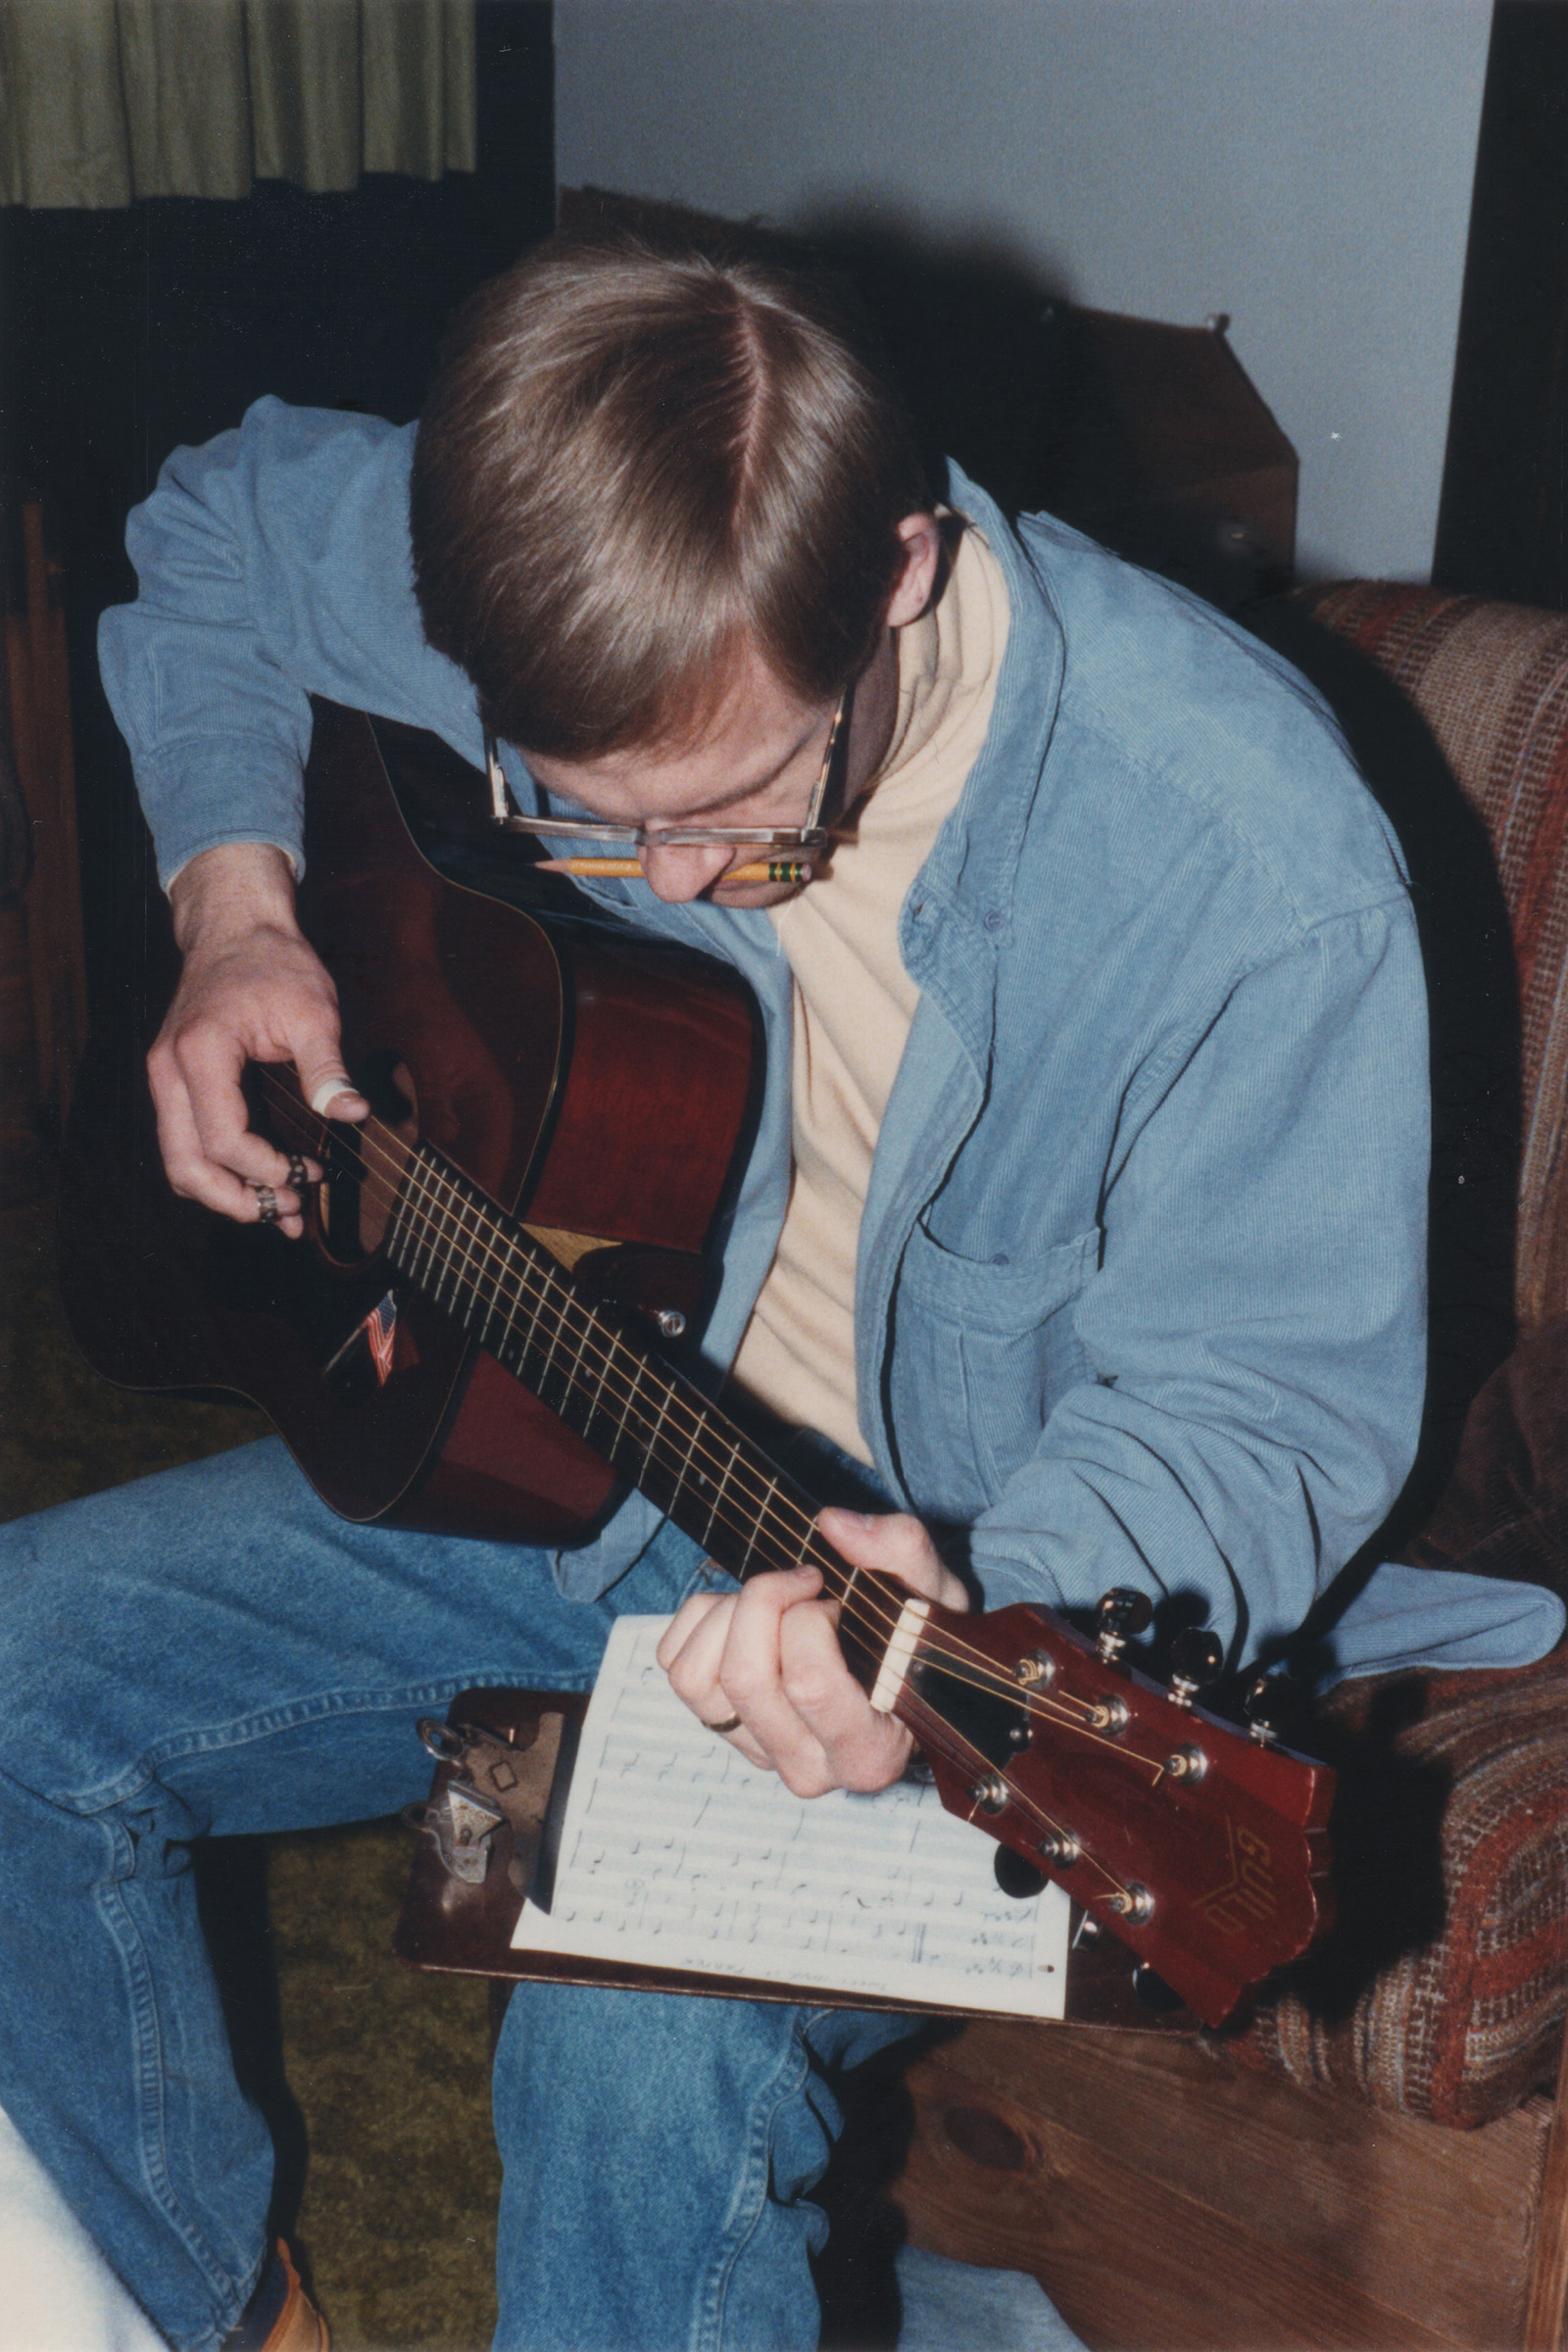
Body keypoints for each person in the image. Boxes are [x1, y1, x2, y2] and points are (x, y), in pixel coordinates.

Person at [0, 221, 1560, 2352]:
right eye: (581, 810)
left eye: (736, 807)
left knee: (627, 2042)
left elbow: (1258, 1409)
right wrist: (236, 910)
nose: (662, 880)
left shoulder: (1240, 862)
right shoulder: (567, 576)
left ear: (898, 574)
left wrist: (965, 1598)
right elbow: (214, 522)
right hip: (576, 1464)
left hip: (951, 1607)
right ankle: (213, 2312)